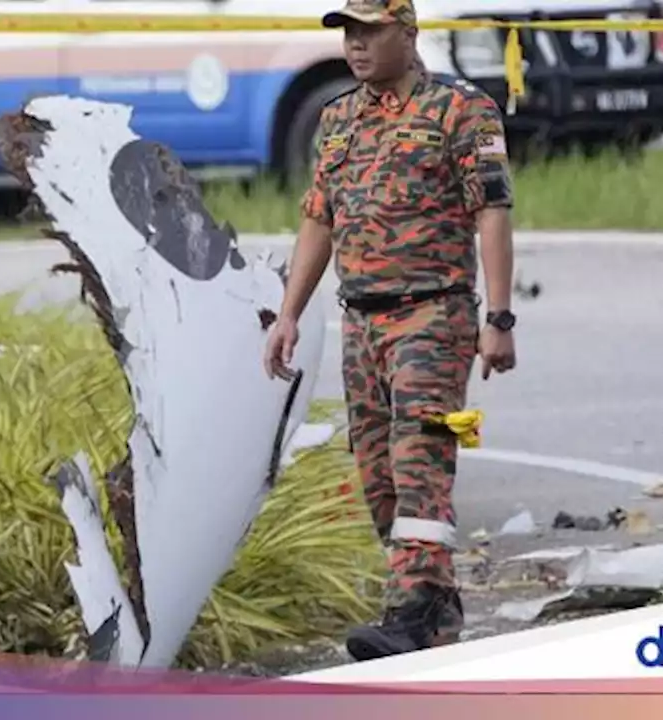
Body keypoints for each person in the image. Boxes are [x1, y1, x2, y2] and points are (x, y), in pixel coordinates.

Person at [262, 0, 518, 661]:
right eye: (348, 32)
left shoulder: (461, 110)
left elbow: (491, 211)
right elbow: (319, 218)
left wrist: (499, 317)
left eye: (369, 30)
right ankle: (437, 599)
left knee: (420, 461)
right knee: (378, 478)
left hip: (434, 315)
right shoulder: (339, 117)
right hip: (362, 322)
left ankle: (412, 612)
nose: (356, 44)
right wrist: (289, 313)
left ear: (408, 33)